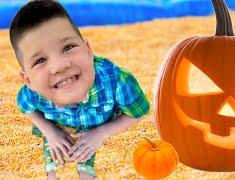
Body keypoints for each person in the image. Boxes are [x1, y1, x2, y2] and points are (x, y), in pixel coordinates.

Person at [10, 0, 150, 179]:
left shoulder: (115, 80)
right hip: (58, 125)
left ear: (88, 50)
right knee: (53, 170)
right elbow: (25, 107)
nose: (59, 66)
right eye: (40, 61)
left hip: (99, 123)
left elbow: (138, 111)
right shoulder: (32, 93)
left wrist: (101, 133)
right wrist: (51, 132)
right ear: (28, 80)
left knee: (87, 173)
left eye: (68, 47)